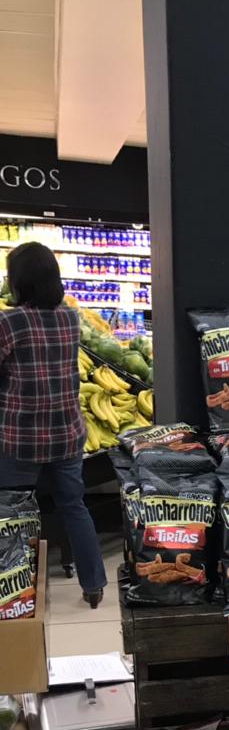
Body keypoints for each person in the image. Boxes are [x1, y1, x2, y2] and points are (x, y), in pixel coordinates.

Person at [0, 243, 106, 607]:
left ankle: (14, 591)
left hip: (22, 437)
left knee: (13, 513)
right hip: (67, 433)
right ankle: (94, 585)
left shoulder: (11, 322)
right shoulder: (69, 318)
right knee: (74, 506)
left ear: (19, 281)